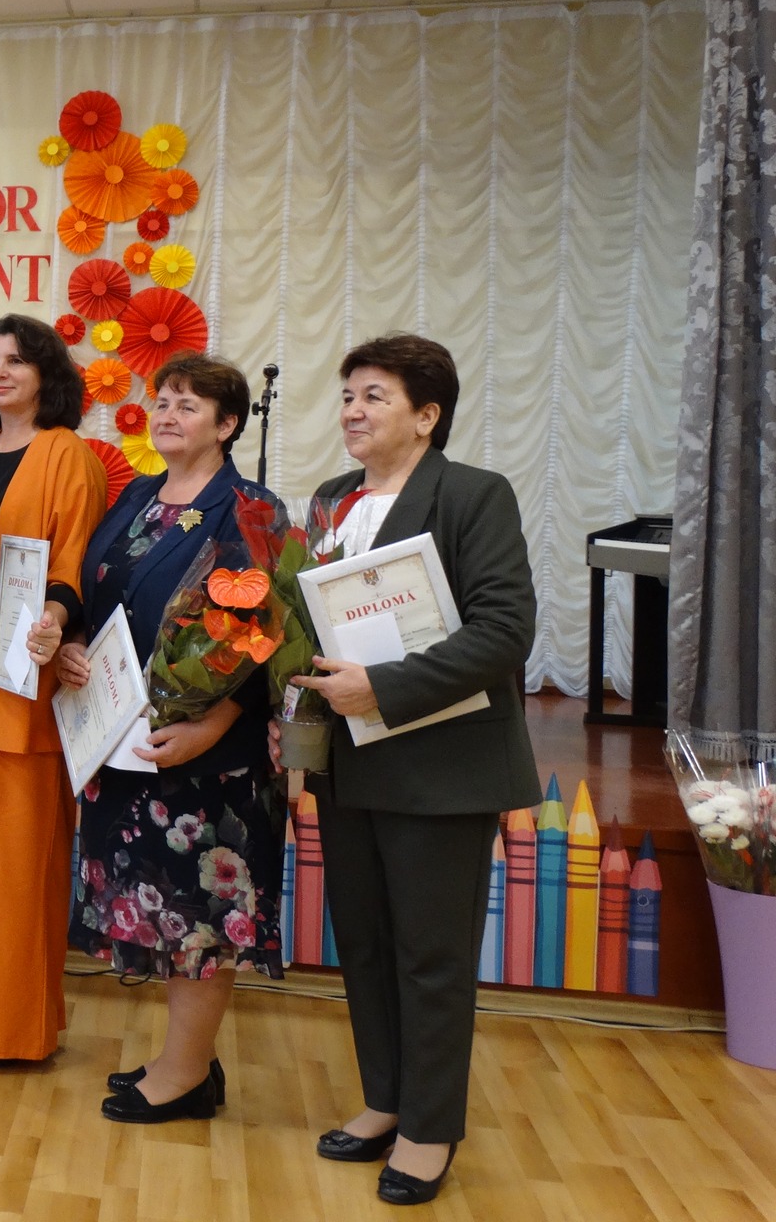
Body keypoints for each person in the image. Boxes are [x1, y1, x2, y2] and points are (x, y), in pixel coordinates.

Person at [282, 334, 539, 1207]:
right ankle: (386, 1099)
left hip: (442, 769)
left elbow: (504, 631)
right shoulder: (330, 501)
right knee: (364, 944)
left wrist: (382, 689)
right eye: (347, 395)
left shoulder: (472, 495)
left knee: (432, 955)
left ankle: (430, 1128)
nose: (353, 410)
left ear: (427, 416)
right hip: (349, 767)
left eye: (375, 396)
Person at [55, 353, 284, 1123]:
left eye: (189, 405)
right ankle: (186, 1061)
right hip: (128, 743)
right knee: (162, 912)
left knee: (200, 921)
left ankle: (184, 1076)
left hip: (208, 759)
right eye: (162, 402)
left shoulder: (251, 509)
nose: (168, 415)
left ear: (227, 424)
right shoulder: (137, 496)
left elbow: (269, 636)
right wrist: (73, 641)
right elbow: (101, 595)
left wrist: (213, 722)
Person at [0, 315, 106, 1066]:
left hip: (25, 682)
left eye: (17, 360)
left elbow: (76, 562)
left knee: (16, 866)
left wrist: (56, 617)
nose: (0, 371)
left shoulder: (67, 453)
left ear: (47, 375)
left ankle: (16, 1031)